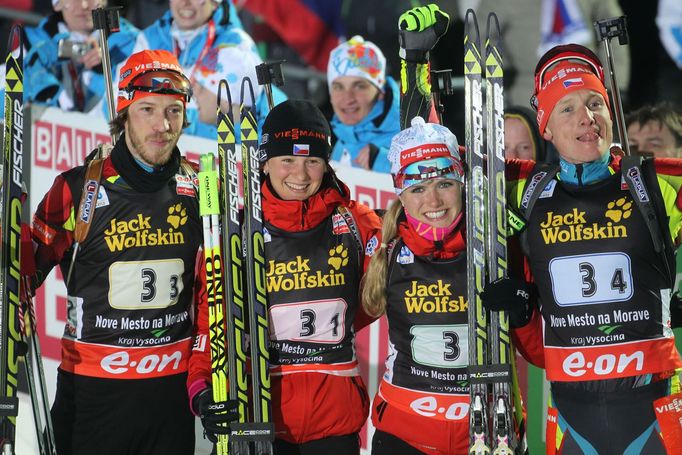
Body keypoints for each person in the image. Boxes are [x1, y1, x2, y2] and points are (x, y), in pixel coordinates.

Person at [484, 43, 682, 453]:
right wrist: (520, 310)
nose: (586, 118)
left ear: (611, 112)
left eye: (595, 103)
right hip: (572, 415)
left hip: (656, 403)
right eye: (567, 108)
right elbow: (435, 193)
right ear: (546, 128)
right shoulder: (526, 192)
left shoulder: (655, 185)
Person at [29, 49, 202, 454]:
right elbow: (28, 267)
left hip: (171, 397)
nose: (163, 125)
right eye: (148, 110)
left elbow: (215, 286)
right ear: (124, 113)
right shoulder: (78, 188)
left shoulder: (200, 188)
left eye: (174, 112)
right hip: (93, 394)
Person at [187, 99, 383, 452]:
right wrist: (202, 393)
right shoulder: (237, 234)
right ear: (264, 163)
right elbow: (210, 325)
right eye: (287, 160)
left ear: (326, 165)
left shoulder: (358, 224)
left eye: (312, 161)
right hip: (262, 419)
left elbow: (377, 298)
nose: (300, 174)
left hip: (334, 424)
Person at [361, 116, 473, 454]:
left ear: (462, 181)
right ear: (401, 195)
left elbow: (536, 353)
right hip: (403, 432)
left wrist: (523, 308)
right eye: (418, 188)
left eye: (444, 183)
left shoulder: (494, 244)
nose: (434, 202)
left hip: (483, 432)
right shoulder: (384, 248)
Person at [132, 0, 286, 139]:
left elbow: (218, 114)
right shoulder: (150, 37)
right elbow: (122, 99)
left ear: (214, 3)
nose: (186, 3)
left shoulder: (236, 47)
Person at [1, 0, 138, 113]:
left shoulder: (131, 41)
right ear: (57, 4)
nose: (84, 5)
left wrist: (106, 71)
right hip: (52, 139)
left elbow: (144, 107)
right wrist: (31, 72)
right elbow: (3, 106)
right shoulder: (33, 43)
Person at [328, 35, 400, 173]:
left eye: (359, 86)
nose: (347, 98)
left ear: (380, 92)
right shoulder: (342, 133)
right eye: (338, 87)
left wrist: (383, 162)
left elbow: (438, 182)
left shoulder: (408, 135)